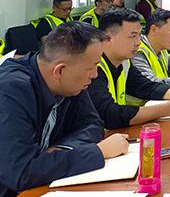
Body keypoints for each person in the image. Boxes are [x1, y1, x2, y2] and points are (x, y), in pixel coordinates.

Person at [0, 22, 130, 196]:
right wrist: (98, 152)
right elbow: (21, 172)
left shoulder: (71, 83)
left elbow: (93, 124)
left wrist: (59, 151)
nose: (95, 74)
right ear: (59, 70)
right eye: (91, 67)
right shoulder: (11, 90)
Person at [88, 8, 170, 129]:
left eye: (139, 35)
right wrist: (166, 109)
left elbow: (146, 86)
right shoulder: (92, 68)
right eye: (132, 36)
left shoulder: (124, 62)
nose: (138, 42)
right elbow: (110, 114)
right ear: (108, 39)